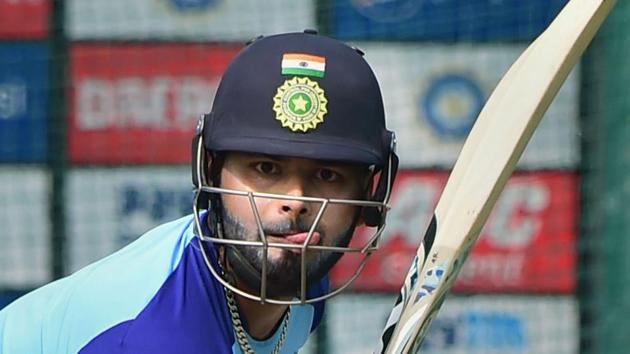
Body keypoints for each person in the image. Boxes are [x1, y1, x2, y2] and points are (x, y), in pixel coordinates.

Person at [0, 30, 398, 354]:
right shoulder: (153, 336)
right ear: (210, 170)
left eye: (327, 175)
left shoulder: (300, 275)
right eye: (266, 169)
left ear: (369, 191)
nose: (295, 200)